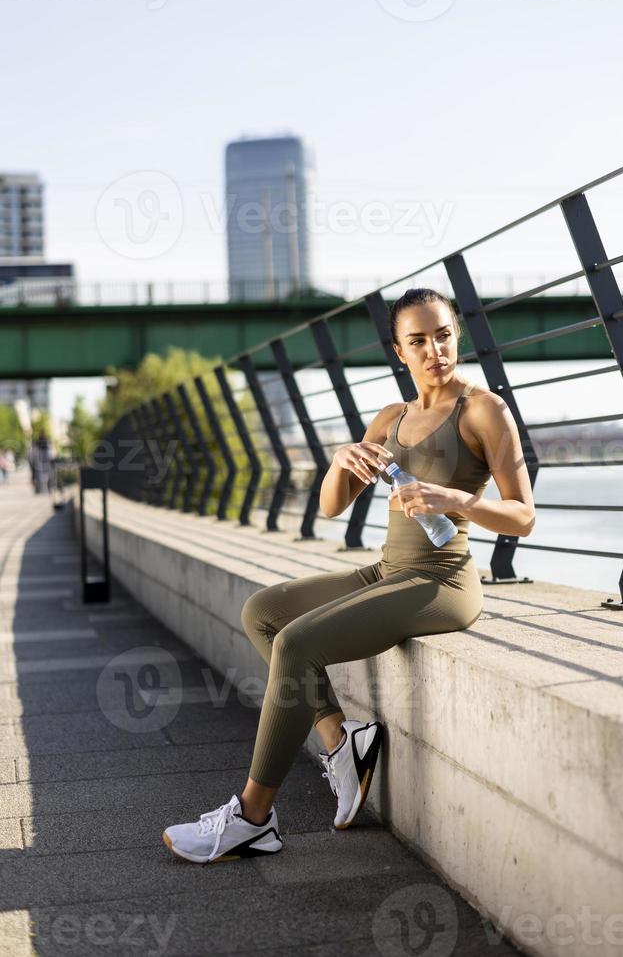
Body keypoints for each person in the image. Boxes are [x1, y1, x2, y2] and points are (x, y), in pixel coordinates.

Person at [162, 287, 536, 864]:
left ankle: (253, 817)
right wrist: (340, 459)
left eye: (443, 335)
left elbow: (523, 515)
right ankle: (341, 744)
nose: (435, 349)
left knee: (297, 643)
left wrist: (453, 498)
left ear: (457, 335)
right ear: (399, 351)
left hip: (444, 582)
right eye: (418, 341)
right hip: (389, 571)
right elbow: (334, 505)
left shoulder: (483, 410)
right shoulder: (392, 417)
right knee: (262, 612)